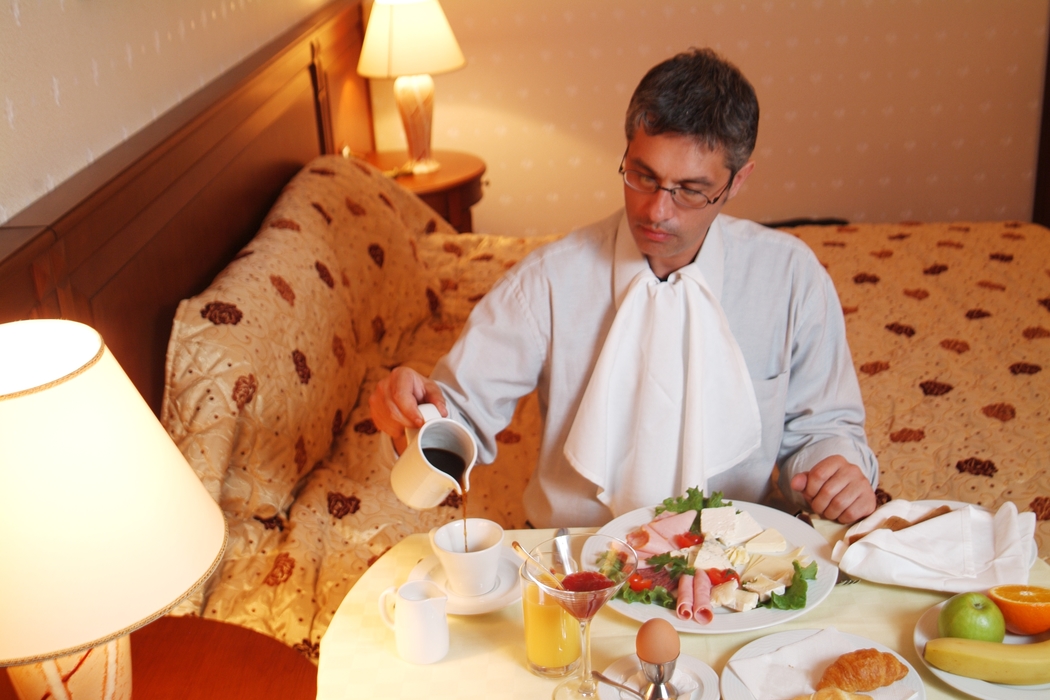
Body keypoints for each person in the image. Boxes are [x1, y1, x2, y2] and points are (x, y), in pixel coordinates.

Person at [370, 48, 878, 527]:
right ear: (628, 151)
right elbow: (459, 414)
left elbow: (824, 428)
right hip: (576, 556)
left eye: (691, 190)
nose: (658, 210)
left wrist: (835, 470)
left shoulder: (790, 277)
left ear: (737, 182)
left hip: (737, 558)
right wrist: (412, 420)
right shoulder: (548, 282)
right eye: (643, 176)